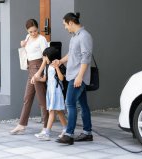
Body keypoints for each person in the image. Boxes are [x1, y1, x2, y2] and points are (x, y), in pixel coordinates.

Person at [54, 12, 94, 145]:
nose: (65, 27)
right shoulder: (74, 37)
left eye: (65, 24)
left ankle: (69, 135)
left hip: (77, 77)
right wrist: (60, 61)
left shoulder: (84, 36)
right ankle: (87, 133)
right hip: (74, 75)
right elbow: (71, 54)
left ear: (71, 22)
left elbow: (86, 58)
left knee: (70, 103)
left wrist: (80, 77)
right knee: (83, 105)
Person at [10, 19, 49, 135]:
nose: (33, 33)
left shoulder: (42, 39)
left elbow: (46, 58)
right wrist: (22, 44)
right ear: (27, 31)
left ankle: (46, 127)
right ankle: (21, 124)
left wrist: (39, 73)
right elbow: (27, 52)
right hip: (30, 69)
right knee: (27, 98)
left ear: (38, 28)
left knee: (42, 100)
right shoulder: (27, 37)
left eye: (35, 31)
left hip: (38, 69)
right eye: (31, 31)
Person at [33, 47, 68, 141]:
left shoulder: (59, 65)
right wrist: (37, 78)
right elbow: (45, 79)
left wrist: (56, 67)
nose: (44, 59)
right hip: (50, 91)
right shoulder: (47, 66)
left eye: (45, 57)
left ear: (50, 56)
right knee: (59, 111)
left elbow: (61, 78)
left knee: (52, 111)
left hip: (57, 91)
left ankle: (47, 133)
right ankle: (66, 128)